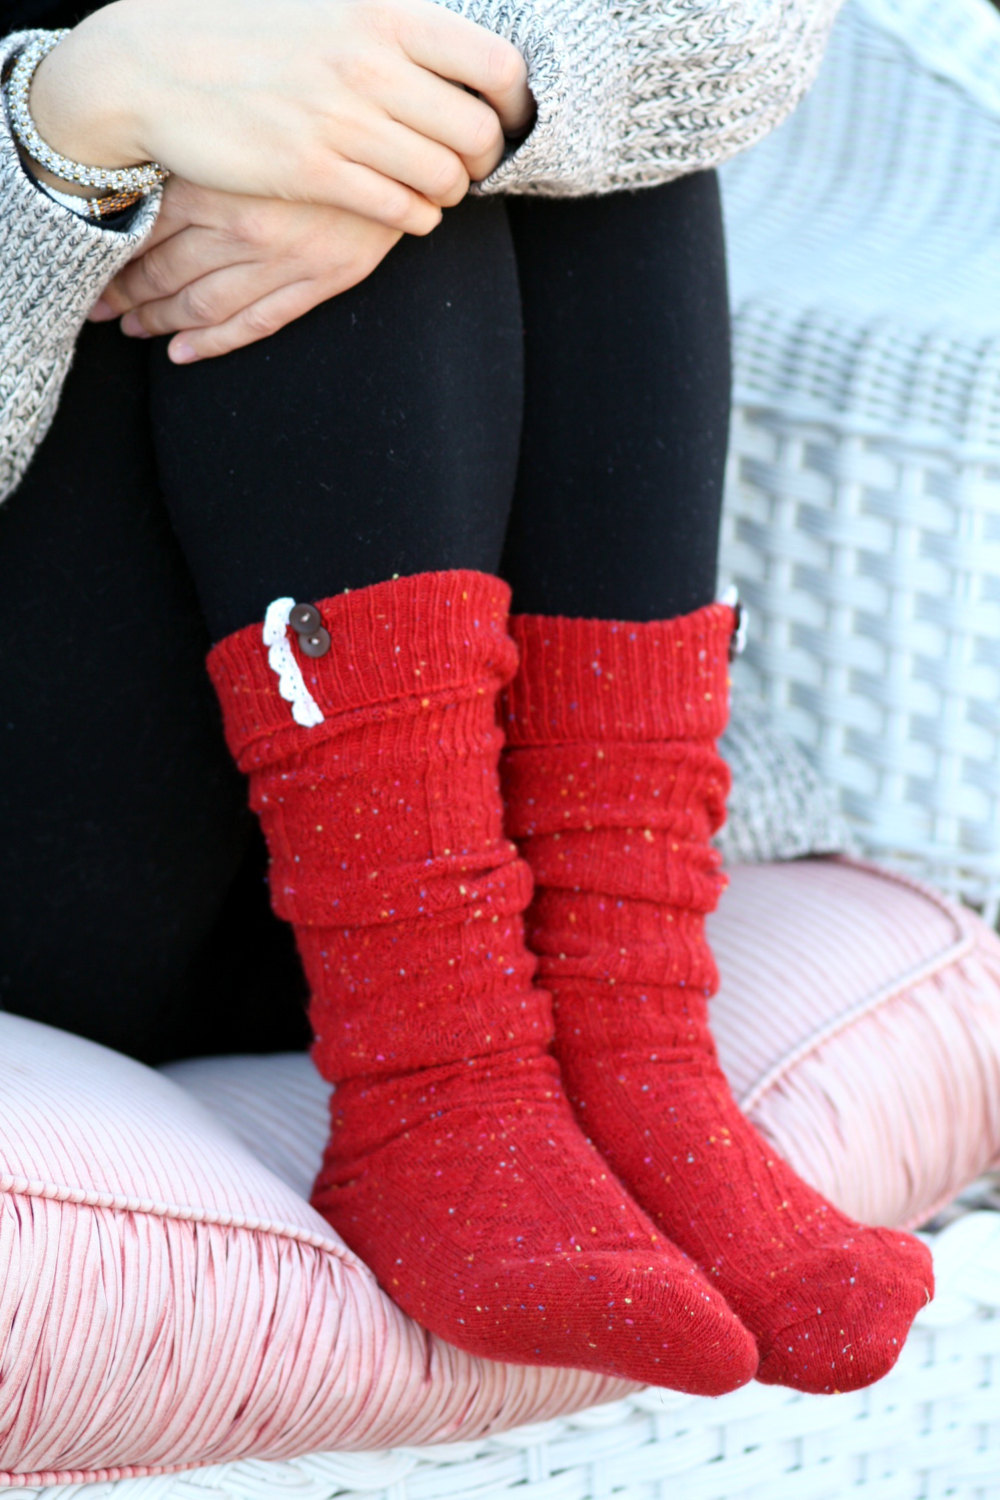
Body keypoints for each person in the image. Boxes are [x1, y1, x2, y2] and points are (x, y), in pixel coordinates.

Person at [0, 0, 932, 1400]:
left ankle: (630, 1054)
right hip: (65, 843)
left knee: (514, 64)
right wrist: (71, 125)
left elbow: (735, 34)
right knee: (320, 96)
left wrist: (459, 112)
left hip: (403, 843)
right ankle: (438, 1087)